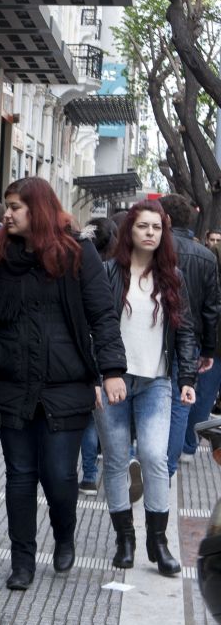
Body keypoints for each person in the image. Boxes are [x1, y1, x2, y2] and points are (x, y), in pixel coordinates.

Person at [0, 177, 127, 591]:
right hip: (12, 384)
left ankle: (64, 536)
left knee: (60, 475)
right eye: (7, 206)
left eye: (15, 207)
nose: (6, 214)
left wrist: (112, 370)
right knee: (19, 475)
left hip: (66, 385)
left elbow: (102, 316)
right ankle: (22, 561)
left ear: (38, 210)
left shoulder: (77, 255)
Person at [94, 199, 197, 577]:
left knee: (155, 457)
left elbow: (185, 331)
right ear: (129, 231)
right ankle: (125, 538)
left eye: (157, 228)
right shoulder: (108, 273)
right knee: (117, 460)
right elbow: (96, 329)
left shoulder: (173, 277)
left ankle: (159, 542)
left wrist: (187, 379)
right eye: (143, 227)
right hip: (113, 381)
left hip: (156, 382)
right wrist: (100, 376)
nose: (150, 233)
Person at [161, 194, 221, 471]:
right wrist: (208, 349)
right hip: (190, 340)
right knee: (179, 403)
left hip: (156, 336)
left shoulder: (157, 248)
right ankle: (172, 461)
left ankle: (146, 454)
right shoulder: (206, 257)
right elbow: (212, 309)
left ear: (166, 219)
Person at [78, 216, 122, 496]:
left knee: (88, 418)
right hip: (112, 353)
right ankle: (120, 461)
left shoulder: (82, 267)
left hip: (85, 350)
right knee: (111, 413)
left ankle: (89, 475)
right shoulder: (118, 272)